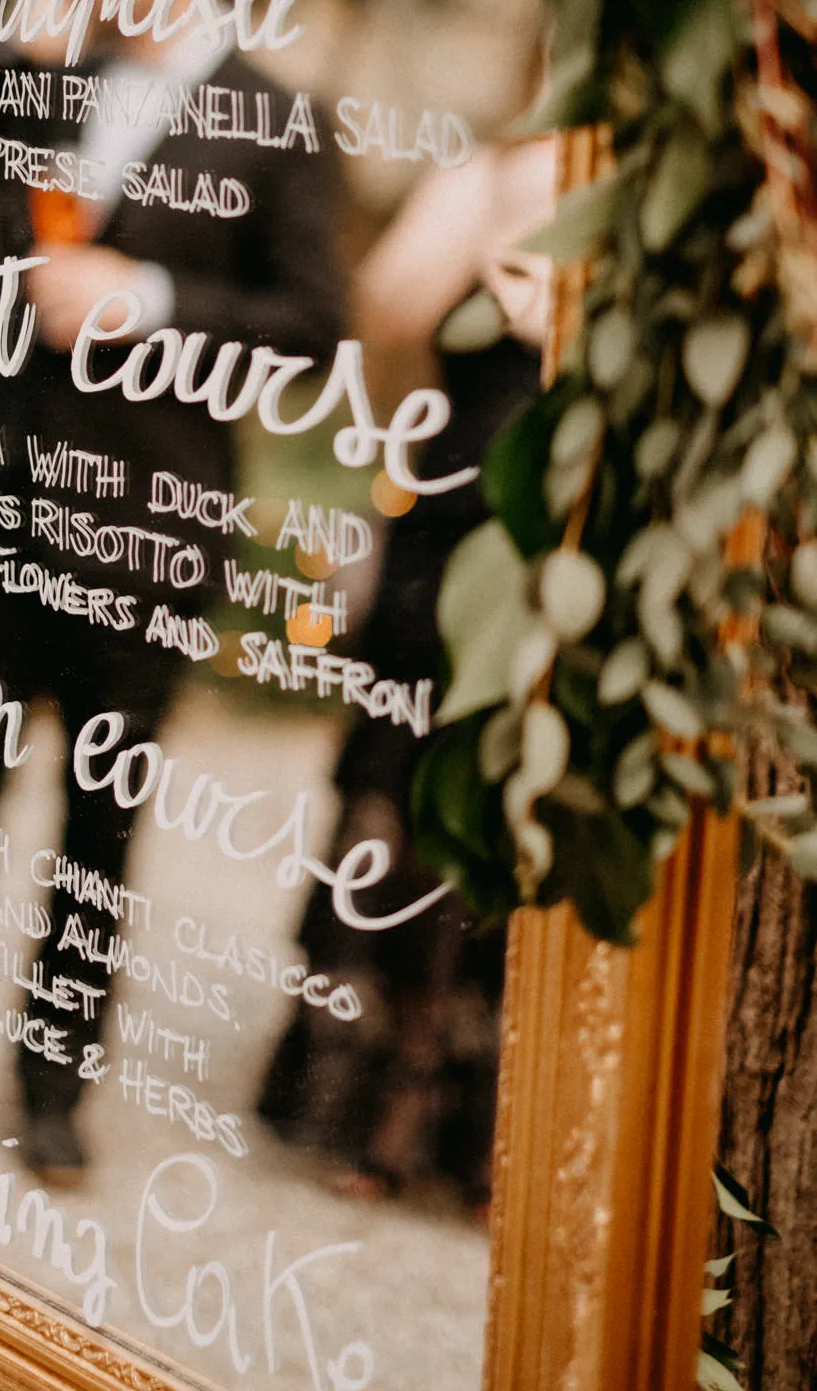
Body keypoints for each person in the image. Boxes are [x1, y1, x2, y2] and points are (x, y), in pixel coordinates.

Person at [0, 0, 348, 1181]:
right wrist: (11, 77)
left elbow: (315, 322)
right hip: (1, 486)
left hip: (150, 523)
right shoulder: (43, 80)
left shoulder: (273, 117)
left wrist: (146, 297)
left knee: (99, 817)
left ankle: (54, 1091)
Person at [257, 135, 556, 1210]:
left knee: (520, 815)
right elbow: (384, 305)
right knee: (393, 797)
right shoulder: (497, 172)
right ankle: (356, 1092)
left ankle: (477, 1122)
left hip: (564, 562)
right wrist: (492, 194)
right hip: (442, 535)